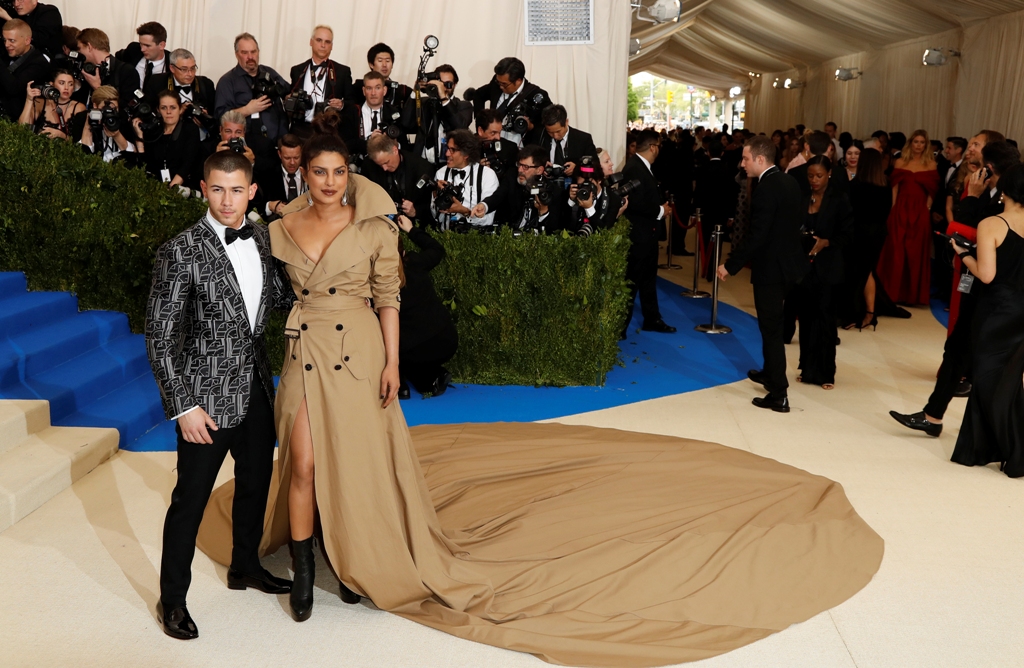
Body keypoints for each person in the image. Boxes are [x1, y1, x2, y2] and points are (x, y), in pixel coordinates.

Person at [145, 150, 295, 639]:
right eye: (217, 189)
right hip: (205, 399)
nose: (227, 201)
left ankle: (244, 565)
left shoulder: (264, 238)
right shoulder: (180, 249)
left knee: (255, 482)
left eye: (237, 190)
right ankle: (173, 600)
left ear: (252, 192)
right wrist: (183, 406)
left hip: (255, 386)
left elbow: (277, 298)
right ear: (204, 190)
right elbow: (161, 337)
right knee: (189, 501)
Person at [889, 139, 1019, 438]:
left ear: (989, 168)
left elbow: (961, 228)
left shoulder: (1004, 201)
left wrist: (971, 199)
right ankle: (934, 416)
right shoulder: (998, 196)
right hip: (991, 291)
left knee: (982, 362)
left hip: (993, 292)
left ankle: (985, 430)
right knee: (959, 353)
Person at [718, 135, 808, 412]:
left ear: (760, 159)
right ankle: (770, 373)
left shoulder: (766, 187)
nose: (742, 164)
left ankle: (779, 394)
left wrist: (730, 265)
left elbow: (757, 235)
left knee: (770, 329)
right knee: (772, 325)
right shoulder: (789, 180)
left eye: (745, 159)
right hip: (791, 266)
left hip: (772, 269)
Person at [948, 163, 1024, 476]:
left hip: (998, 311)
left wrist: (963, 254)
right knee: (1009, 381)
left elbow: (987, 275)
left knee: (988, 378)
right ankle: (984, 448)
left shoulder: (992, 223)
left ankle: (1008, 450)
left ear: (1004, 190)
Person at [795, 156, 853, 389]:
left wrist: (826, 242)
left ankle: (826, 373)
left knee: (825, 320)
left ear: (829, 173)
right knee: (807, 319)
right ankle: (807, 369)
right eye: (810, 176)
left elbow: (848, 235)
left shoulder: (840, 200)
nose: (814, 180)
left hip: (829, 267)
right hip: (804, 267)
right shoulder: (802, 198)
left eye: (819, 175)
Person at [393, 213, 458, 399]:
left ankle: (399, 385)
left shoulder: (374, 280)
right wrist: (411, 229)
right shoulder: (415, 262)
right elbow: (436, 249)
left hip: (410, 349)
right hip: (446, 340)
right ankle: (433, 378)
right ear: (403, 252)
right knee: (415, 363)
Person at [875, 129, 939, 306]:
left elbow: (931, 191)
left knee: (915, 252)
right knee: (896, 250)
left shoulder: (931, 164)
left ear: (926, 145)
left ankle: (912, 296)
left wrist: (926, 209)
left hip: (920, 211)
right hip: (900, 209)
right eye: (916, 142)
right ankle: (891, 292)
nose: (918, 145)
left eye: (922, 142)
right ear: (910, 143)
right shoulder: (900, 161)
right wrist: (893, 209)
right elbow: (894, 188)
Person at [622, 129, 675, 334]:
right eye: (659, 146)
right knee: (633, 281)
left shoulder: (642, 167)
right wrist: (661, 210)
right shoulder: (634, 168)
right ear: (653, 147)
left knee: (647, 280)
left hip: (647, 234)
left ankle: (652, 318)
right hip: (639, 236)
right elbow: (633, 202)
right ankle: (620, 327)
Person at [842, 148, 891, 331]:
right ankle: (870, 314)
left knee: (855, 275)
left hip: (859, 234)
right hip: (878, 233)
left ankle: (854, 315)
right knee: (867, 271)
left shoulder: (855, 185)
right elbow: (887, 210)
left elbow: (850, 213)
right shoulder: (886, 184)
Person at [214, 33, 289, 142]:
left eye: (253, 52)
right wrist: (247, 110)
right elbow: (220, 117)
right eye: (244, 53)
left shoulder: (269, 72)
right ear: (236, 54)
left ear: (258, 52)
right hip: (246, 145)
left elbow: (287, 90)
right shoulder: (227, 81)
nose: (250, 57)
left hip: (277, 143)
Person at [402, 63, 472, 168]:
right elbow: (406, 123)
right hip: (422, 163)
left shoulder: (463, 106)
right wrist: (415, 91)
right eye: (440, 83)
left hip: (449, 165)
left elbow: (460, 126)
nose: (443, 87)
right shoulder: (425, 103)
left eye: (448, 84)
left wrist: (444, 98)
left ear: (455, 84)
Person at [287, 25, 353, 135]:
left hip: (328, 130)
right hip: (300, 128)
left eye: (327, 42)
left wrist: (341, 104)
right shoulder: (297, 70)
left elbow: (352, 102)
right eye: (319, 40)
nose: (323, 45)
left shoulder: (342, 71)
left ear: (332, 46)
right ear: (311, 42)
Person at [472, 56, 551, 146]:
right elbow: (478, 95)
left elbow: (549, 125)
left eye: (504, 84)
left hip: (520, 148)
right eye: (499, 82)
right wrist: (481, 123)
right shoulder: (497, 82)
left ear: (518, 81)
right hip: (493, 143)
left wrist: (531, 126)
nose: (500, 86)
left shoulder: (537, 95)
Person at [133, 89, 201, 189]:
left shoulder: (189, 129)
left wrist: (170, 190)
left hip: (183, 188)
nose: (168, 112)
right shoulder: (154, 131)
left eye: (173, 107)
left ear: (180, 109)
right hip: (155, 188)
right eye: (164, 108)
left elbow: (187, 165)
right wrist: (140, 137)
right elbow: (145, 165)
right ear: (158, 110)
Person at [430, 128, 498, 228]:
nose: (447, 154)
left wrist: (465, 211)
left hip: (476, 237)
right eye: (447, 148)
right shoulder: (441, 173)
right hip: (445, 236)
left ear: (466, 154)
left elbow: (488, 219)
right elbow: (434, 215)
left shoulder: (487, 175)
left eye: (452, 150)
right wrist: (435, 192)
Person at [143, 48, 217, 139]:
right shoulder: (157, 83)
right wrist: (177, 113)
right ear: (172, 68)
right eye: (184, 69)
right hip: (167, 139)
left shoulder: (205, 84)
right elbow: (148, 112)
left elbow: (215, 115)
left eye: (193, 68)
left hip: (199, 140)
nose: (190, 74)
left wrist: (205, 117)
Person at [363, 132, 435, 223]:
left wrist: (415, 211)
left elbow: (430, 205)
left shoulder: (422, 168)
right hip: (381, 223)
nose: (384, 168)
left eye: (386, 162)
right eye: (380, 165)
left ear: (395, 150)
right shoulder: (369, 167)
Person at [75, 28, 141, 108]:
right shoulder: (86, 69)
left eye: (79, 48)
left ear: (89, 47)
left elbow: (127, 106)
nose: (79, 53)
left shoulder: (126, 71)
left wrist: (98, 87)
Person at [18, 67, 86, 140]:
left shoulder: (78, 107)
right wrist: (29, 100)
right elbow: (22, 128)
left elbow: (80, 144)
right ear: (52, 84)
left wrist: (61, 135)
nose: (66, 87)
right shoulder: (40, 103)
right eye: (62, 83)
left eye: (70, 84)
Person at [1, 19, 49, 120]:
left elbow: (14, 88)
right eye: (5, 40)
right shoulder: (4, 55)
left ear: (27, 40)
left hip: (20, 122)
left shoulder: (39, 63)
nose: (6, 45)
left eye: (12, 41)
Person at [253, 133, 308, 221]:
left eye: (296, 157)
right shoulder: (267, 175)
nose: (292, 162)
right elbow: (255, 205)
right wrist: (270, 205)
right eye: (287, 158)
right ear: (279, 154)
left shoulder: (310, 173)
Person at [563, 160, 626, 236]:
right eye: (581, 185)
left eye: (589, 184)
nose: (585, 189)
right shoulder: (570, 193)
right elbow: (561, 227)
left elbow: (605, 233)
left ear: (599, 180)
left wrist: (589, 208)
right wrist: (571, 202)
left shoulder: (613, 199)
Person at [78, 85, 138, 163]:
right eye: (105, 108)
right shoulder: (82, 119)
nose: (110, 113)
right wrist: (88, 127)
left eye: (114, 109)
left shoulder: (122, 119)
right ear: (95, 106)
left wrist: (117, 135)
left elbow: (132, 160)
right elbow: (81, 160)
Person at [352, 70, 404, 157]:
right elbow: (347, 144)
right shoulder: (352, 111)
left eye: (377, 88)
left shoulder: (394, 113)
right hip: (360, 162)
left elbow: (404, 145)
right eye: (369, 88)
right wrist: (370, 141)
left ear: (384, 90)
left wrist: (394, 143)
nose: (373, 93)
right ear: (364, 91)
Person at [538, 104, 597, 176]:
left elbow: (596, 167)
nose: (555, 136)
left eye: (558, 131)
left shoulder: (583, 139)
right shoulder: (540, 137)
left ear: (566, 122)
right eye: (550, 132)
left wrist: (577, 168)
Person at [352, 42, 410, 107]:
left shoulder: (401, 91)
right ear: (371, 65)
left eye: (388, 61)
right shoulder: (357, 88)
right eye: (380, 61)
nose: (384, 65)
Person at [114, 21, 170, 89]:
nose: (142, 49)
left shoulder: (172, 62)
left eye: (147, 45)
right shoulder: (133, 49)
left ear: (162, 45)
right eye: (141, 44)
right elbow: (116, 61)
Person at [475, 108, 518, 179]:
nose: (498, 137)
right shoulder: (466, 150)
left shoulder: (510, 148)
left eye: (499, 132)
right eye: (493, 133)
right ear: (480, 131)